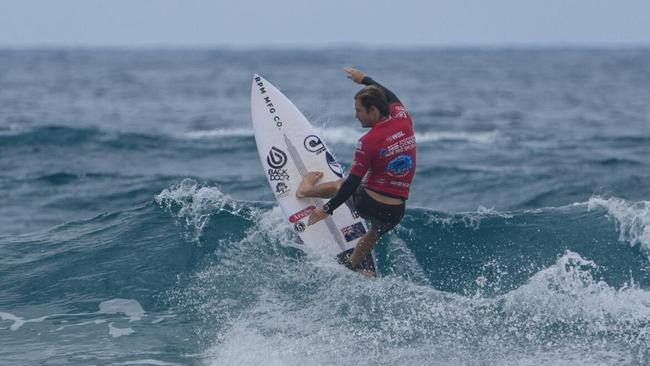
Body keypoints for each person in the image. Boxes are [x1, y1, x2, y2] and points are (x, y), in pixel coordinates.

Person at [296, 67, 416, 274]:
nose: (356, 115)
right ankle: (355, 265)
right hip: (396, 211)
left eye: (359, 110)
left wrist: (327, 209)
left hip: (369, 204)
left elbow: (351, 184)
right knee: (373, 232)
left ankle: (305, 191)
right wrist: (365, 80)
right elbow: (391, 96)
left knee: (341, 183)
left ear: (374, 111)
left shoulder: (368, 142)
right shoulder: (403, 119)